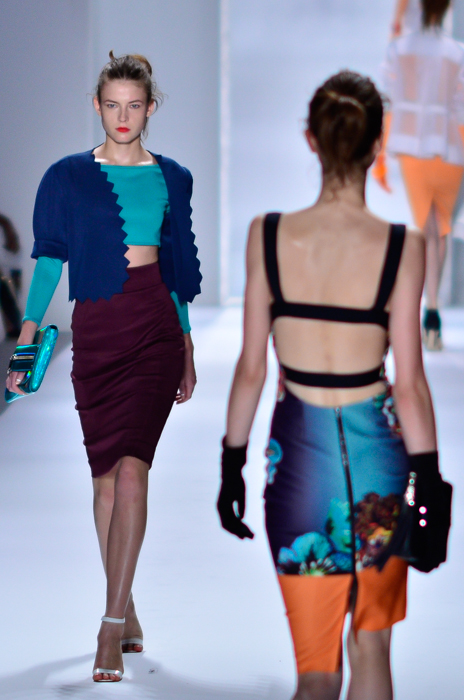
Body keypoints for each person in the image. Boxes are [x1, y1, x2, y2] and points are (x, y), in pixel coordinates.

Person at [217, 70, 438, 700]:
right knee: (373, 647)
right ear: (377, 143)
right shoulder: (403, 246)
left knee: (315, 672)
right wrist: (433, 482)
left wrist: (232, 465)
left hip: (298, 470)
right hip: (381, 468)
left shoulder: (267, 235)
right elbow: (410, 383)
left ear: (311, 139)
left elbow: (252, 369)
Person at [5, 52, 202, 682]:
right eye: (112, 105)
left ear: (151, 108)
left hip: (154, 329)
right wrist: (26, 337)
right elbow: (49, 259)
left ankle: (110, 626)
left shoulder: (173, 177)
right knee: (104, 484)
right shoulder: (66, 177)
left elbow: (177, 268)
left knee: (134, 472)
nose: (123, 116)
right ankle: (128, 600)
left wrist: (187, 344)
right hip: (96, 333)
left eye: (134, 105)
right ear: (97, 105)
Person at [374, 0, 464, 350]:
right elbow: (461, 108)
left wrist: (381, 156)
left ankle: (428, 309)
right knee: (440, 229)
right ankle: (433, 309)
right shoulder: (456, 53)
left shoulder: (399, 50)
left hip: (413, 148)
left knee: (427, 227)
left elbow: (389, 102)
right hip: (450, 149)